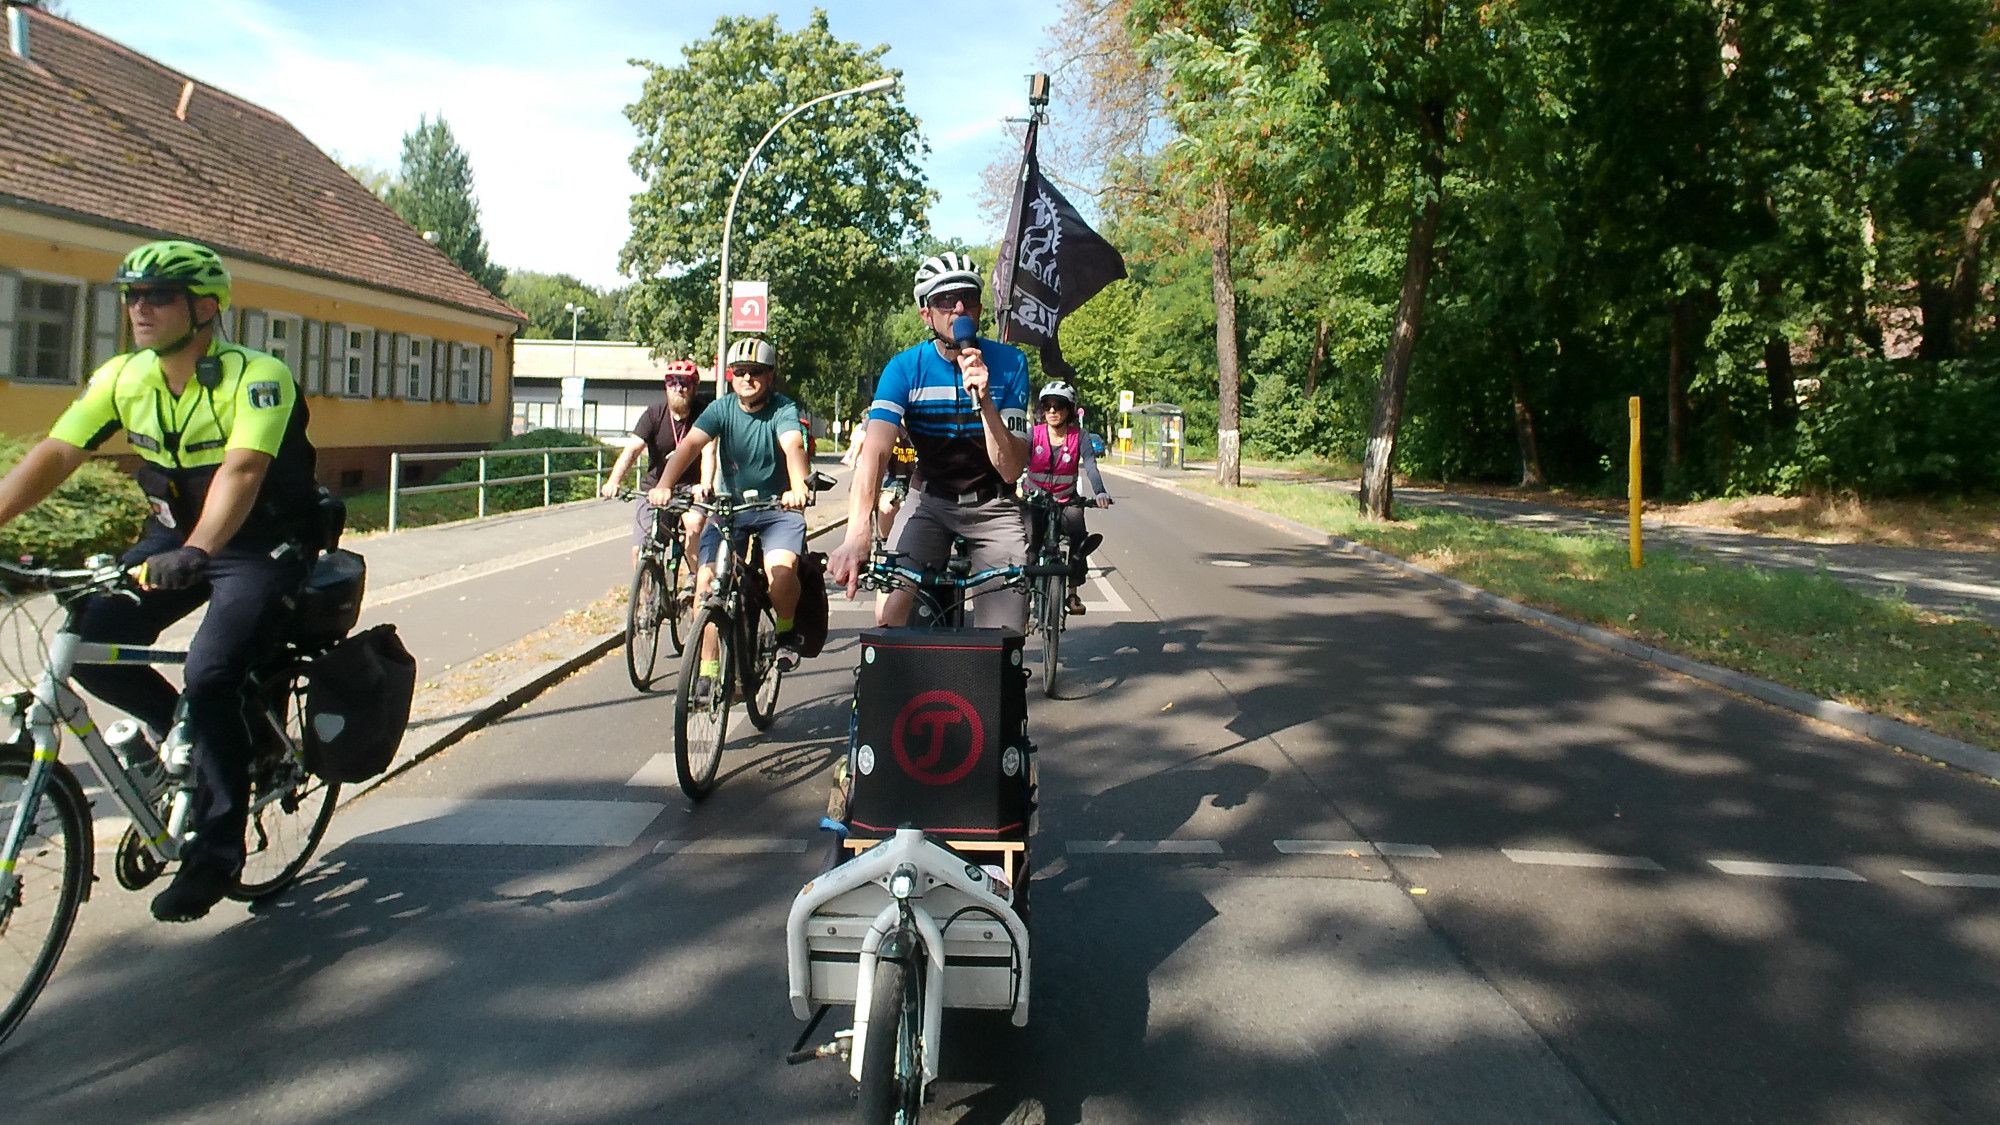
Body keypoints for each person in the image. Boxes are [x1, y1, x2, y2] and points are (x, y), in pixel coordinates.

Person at [0, 239, 320, 923]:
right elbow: (58, 450)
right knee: (93, 640)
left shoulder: (256, 375)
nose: (139, 309)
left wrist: (200, 548)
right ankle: (188, 735)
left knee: (209, 672)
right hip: (173, 539)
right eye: (131, 295)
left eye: (158, 296)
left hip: (256, 543)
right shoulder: (125, 376)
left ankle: (217, 848)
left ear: (204, 308)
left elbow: (242, 472)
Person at [827, 253, 1031, 628]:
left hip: (992, 504)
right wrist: (857, 533)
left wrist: (985, 400)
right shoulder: (905, 368)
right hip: (929, 502)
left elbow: (1011, 467)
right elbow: (874, 453)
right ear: (926, 315)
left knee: (1005, 636)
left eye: (967, 298)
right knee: (887, 618)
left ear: (980, 307)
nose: (958, 308)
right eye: (943, 300)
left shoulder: (1010, 362)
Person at [647, 337, 811, 688]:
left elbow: (793, 445)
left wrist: (798, 487)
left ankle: (784, 632)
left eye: (755, 372)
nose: (747, 378)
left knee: (780, 572)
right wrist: (664, 484)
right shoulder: (721, 409)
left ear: (769, 376)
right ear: (730, 376)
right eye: (739, 372)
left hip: (777, 509)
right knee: (706, 583)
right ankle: (706, 673)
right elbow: (691, 444)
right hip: (731, 509)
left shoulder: (783, 409)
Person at [599, 359, 710, 576]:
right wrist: (613, 481)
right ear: (665, 386)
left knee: (694, 525)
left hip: (691, 488)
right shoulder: (653, 415)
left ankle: (695, 584)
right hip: (655, 489)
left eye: (685, 383)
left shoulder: (704, 415)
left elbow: (709, 452)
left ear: (695, 387)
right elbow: (631, 451)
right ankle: (647, 600)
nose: (679, 388)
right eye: (672, 382)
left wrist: (704, 485)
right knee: (640, 549)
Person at [1022, 381, 1112, 615]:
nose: (1052, 411)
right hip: (1035, 500)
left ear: (1069, 409)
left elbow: (1090, 465)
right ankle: (1024, 602)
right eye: (1047, 406)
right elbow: (1018, 460)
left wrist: (1100, 491)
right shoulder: (1034, 434)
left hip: (1066, 500)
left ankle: (1072, 593)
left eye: (1059, 405)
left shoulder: (1079, 436)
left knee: (1078, 535)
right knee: (1030, 542)